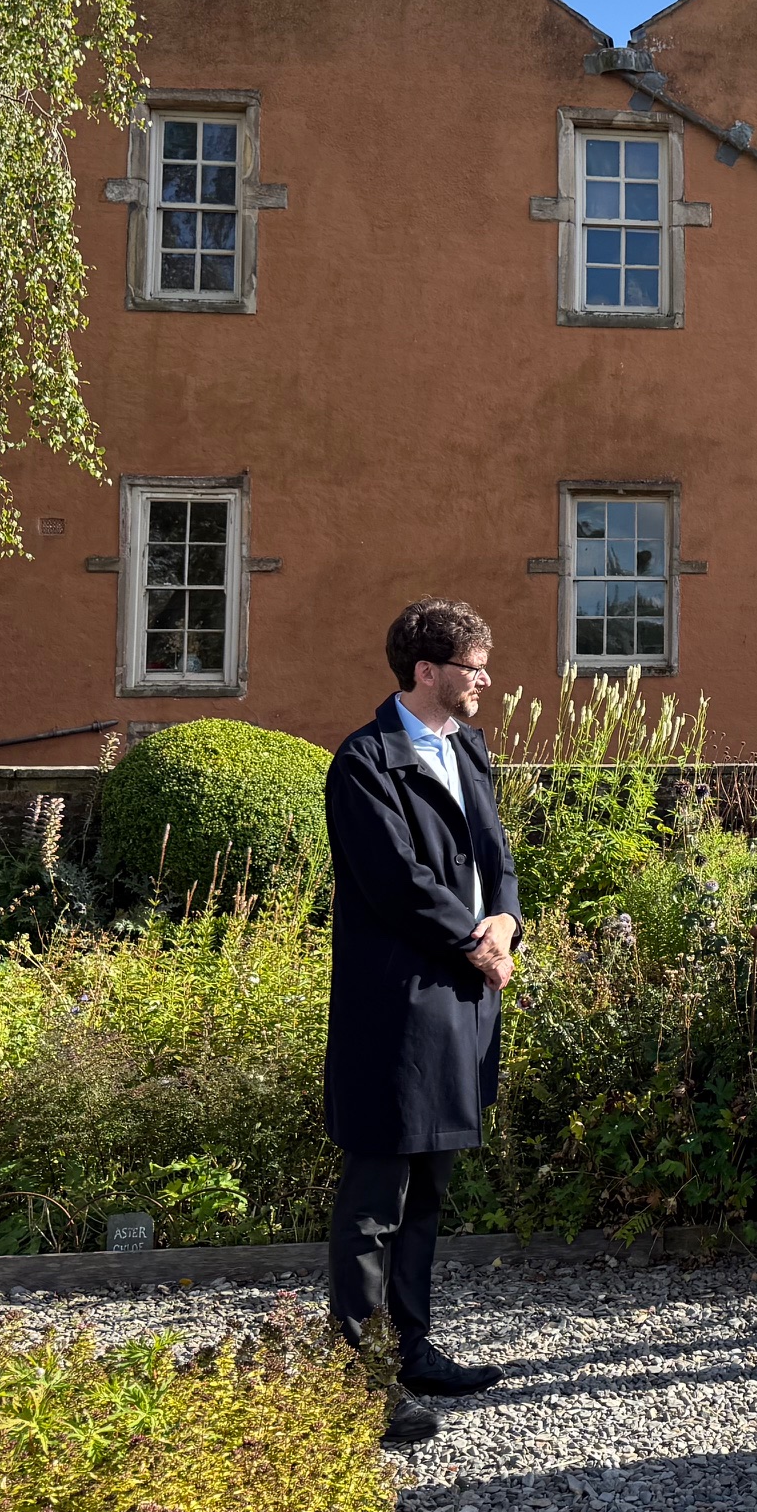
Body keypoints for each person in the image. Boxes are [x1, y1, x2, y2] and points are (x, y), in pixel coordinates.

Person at [322, 598, 519, 1446]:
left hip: (463, 998)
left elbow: (496, 856)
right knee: (377, 1194)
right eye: (473, 665)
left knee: (431, 1186)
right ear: (426, 671)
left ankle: (412, 1349)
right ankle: (354, 1377)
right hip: (398, 1003)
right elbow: (393, 881)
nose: (485, 678)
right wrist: (474, 945)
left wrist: (506, 922)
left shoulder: (466, 748)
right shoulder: (365, 762)